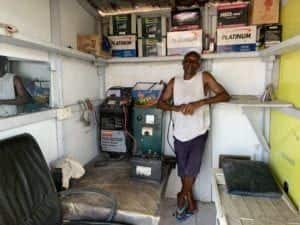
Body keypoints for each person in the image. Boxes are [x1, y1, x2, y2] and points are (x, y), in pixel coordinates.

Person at [157, 51, 230, 220]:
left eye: (195, 61)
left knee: (192, 169)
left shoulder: (204, 77)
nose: (191, 63)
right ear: (183, 63)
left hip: (198, 132)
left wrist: (200, 102)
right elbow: (160, 103)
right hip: (179, 134)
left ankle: (181, 195)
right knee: (184, 170)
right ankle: (190, 202)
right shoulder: (175, 82)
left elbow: (225, 95)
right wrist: (175, 108)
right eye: (188, 60)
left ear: (199, 65)